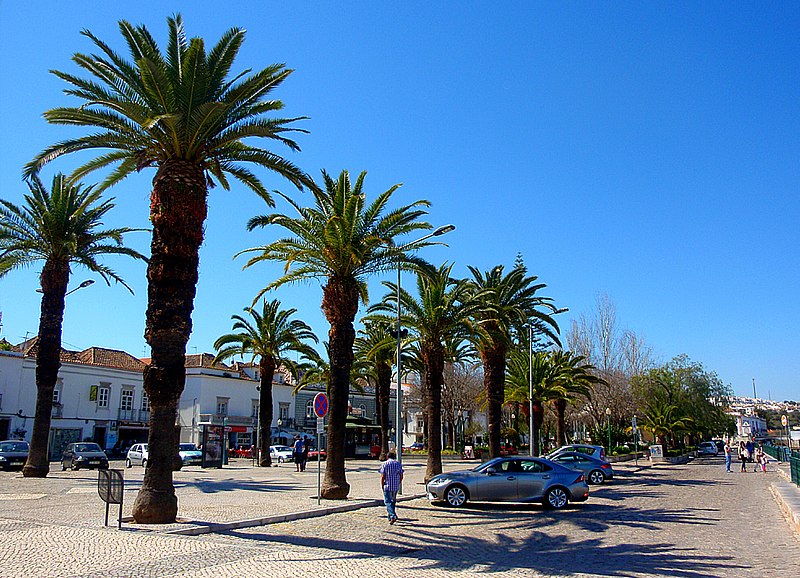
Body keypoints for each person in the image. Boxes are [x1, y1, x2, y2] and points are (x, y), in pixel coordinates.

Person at [379, 450, 404, 524]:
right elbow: (401, 475)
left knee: (387, 501)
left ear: (387, 457)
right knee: (393, 501)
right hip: (395, 486)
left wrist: (382, 485)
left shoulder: (385, 464)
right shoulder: (398, 464)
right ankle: (391, 515)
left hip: (387, 485)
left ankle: (392, 516)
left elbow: (383, 476)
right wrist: (398, 482)